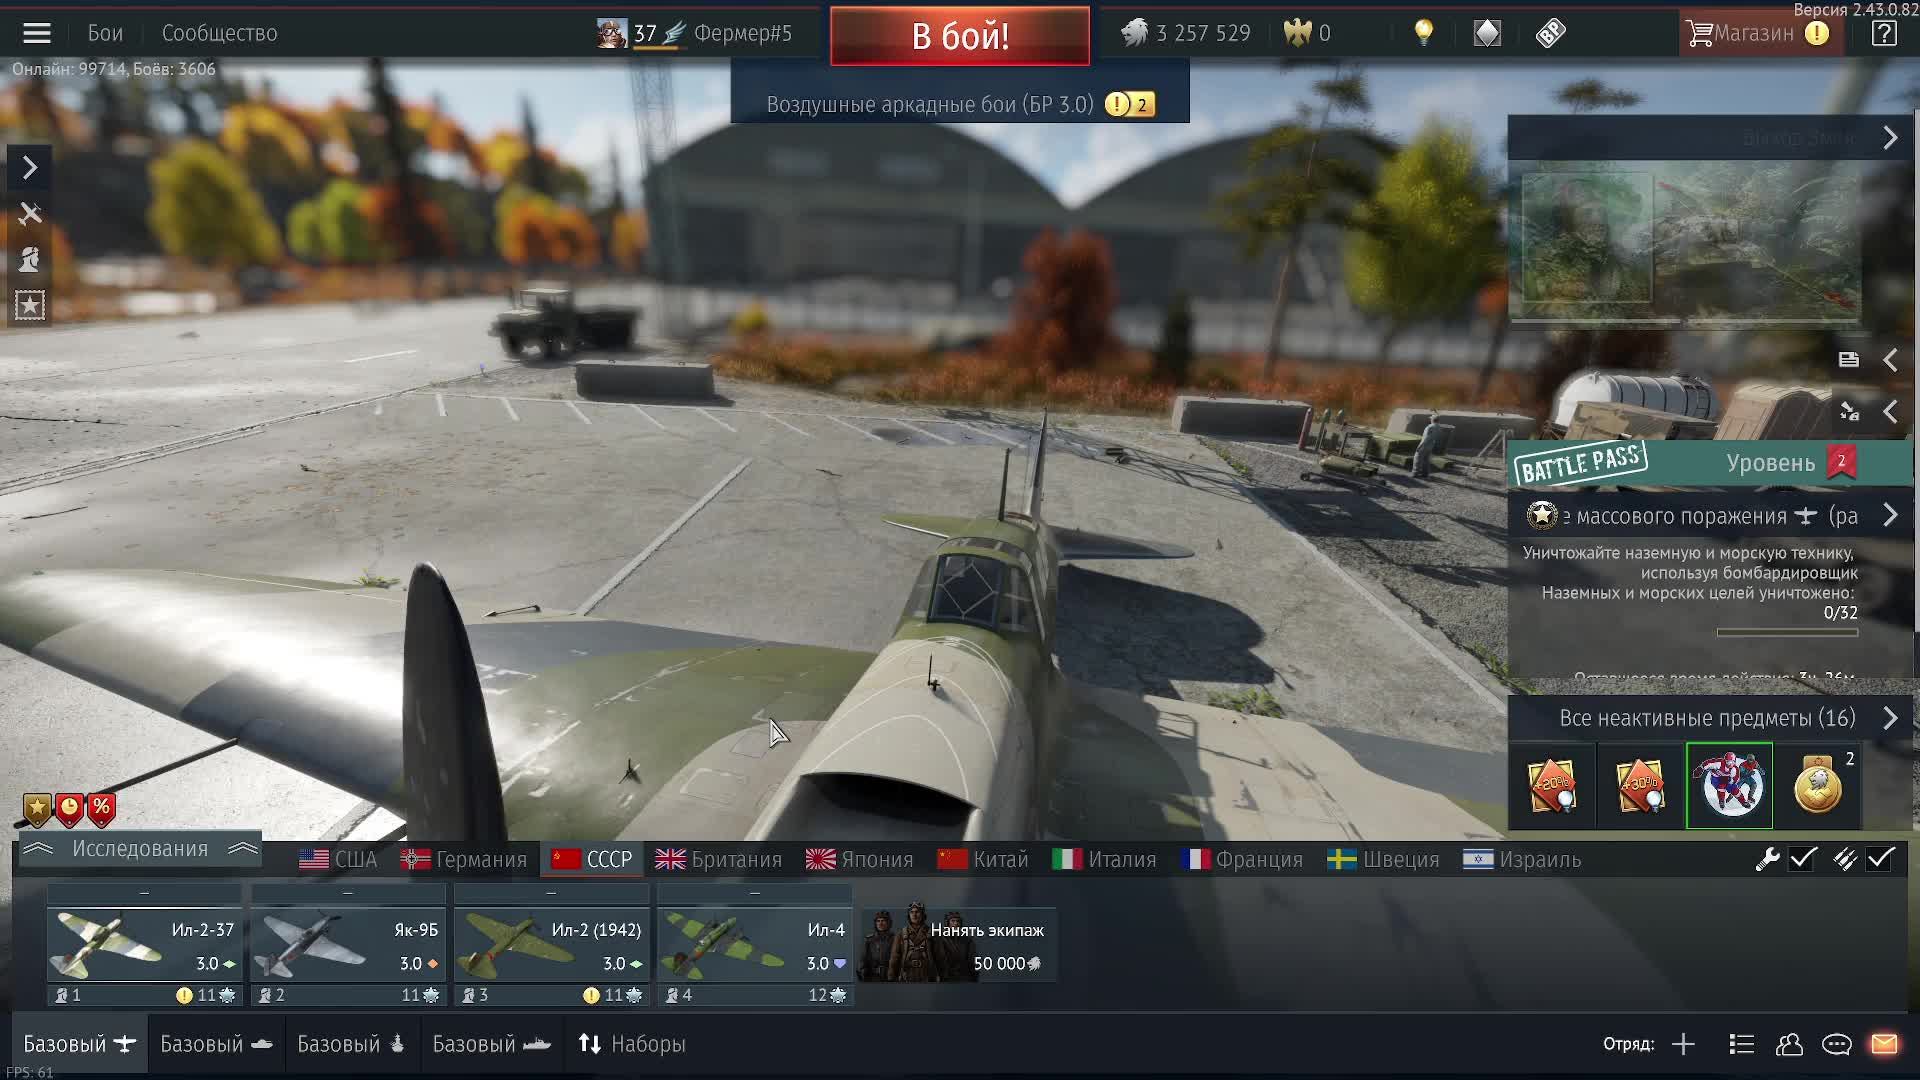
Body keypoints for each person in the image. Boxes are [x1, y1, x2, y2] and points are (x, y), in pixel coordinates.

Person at [887, 902, 935, 982]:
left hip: (926, 975)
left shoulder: (932, 933)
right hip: (907, 974)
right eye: (911, 912)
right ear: (909, 915)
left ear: (922, 914)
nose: (914, 915)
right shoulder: (901, 934)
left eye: (917, 912)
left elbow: (940, 957)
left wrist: (943, 976)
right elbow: (894, 957)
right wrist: (891, 977)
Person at [931, 911, 978, 982]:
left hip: (964, 977)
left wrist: (974, 977)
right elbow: (934, 959)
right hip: (945, 977)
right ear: (948, 923)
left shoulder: (967, 940)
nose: (956, 923)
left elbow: (972, 960)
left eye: (958, 921)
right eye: (953, 921)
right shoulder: (939, 938)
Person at [857, 911, 895, 982]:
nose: (880, 923)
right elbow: (862, 960)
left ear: (888, 923)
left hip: (891, 977)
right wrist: (863, 974)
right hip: (873, 977)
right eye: (878, 921)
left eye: (883, 921)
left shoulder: (895, 939)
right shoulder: (869, 940)